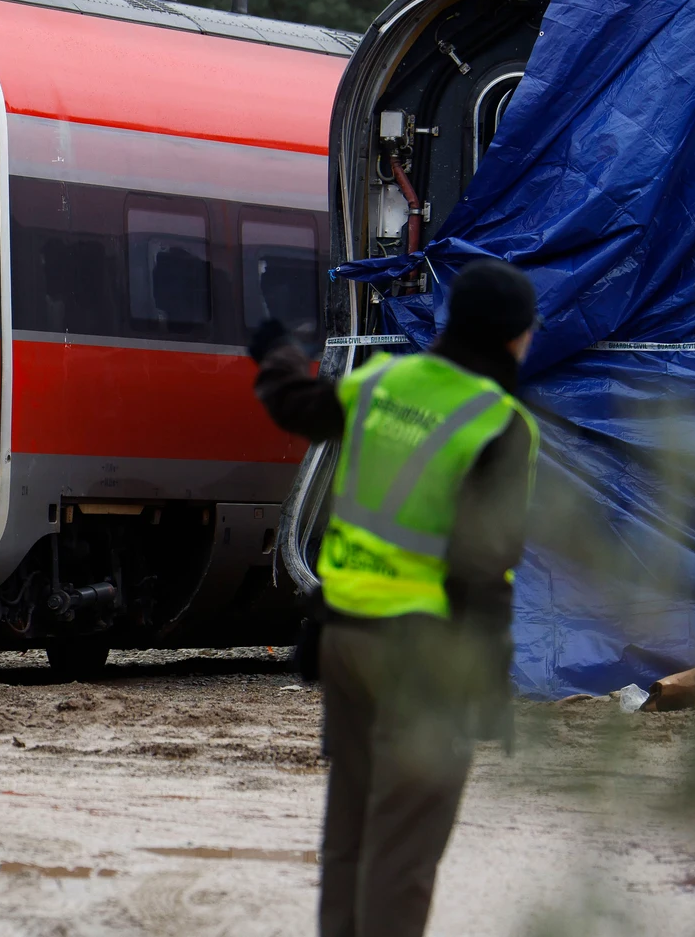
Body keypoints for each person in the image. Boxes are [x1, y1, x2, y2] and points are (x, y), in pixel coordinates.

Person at [250, 259, 541, 937]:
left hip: (345, 638)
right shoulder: (498, 421)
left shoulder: (380, 381)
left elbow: (295, 404)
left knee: (351, 825)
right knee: (405, 843)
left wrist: (275, 352)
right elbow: (485, 564)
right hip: (424, 656)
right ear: (511, 337)